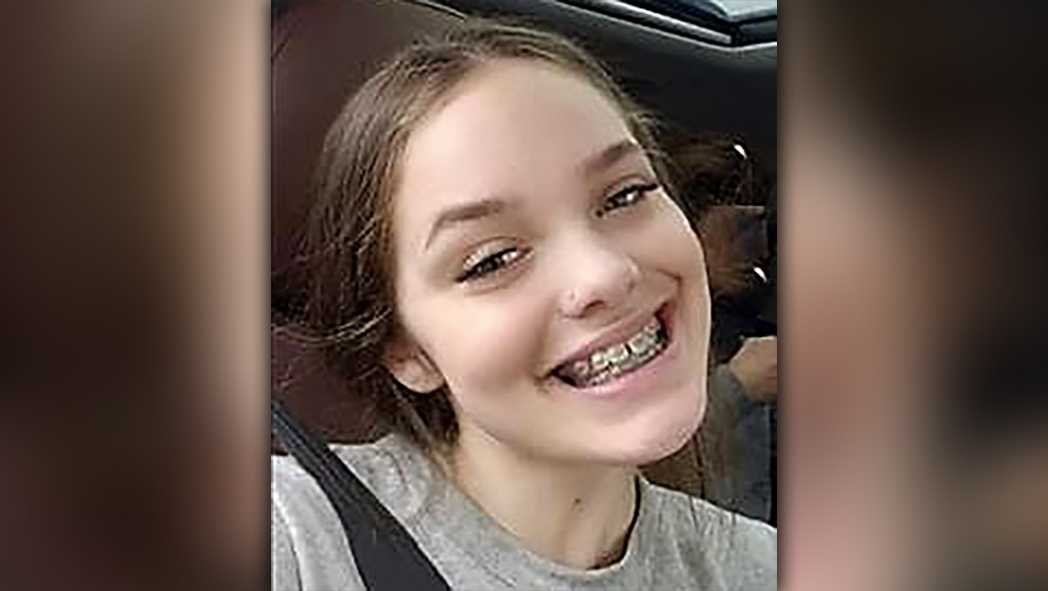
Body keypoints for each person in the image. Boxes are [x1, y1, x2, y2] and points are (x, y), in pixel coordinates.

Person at [272, 20, 776, 590]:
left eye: (625, 195)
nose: (605, 274)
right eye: (492, 260)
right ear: (407, 351)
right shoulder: (289, 539)